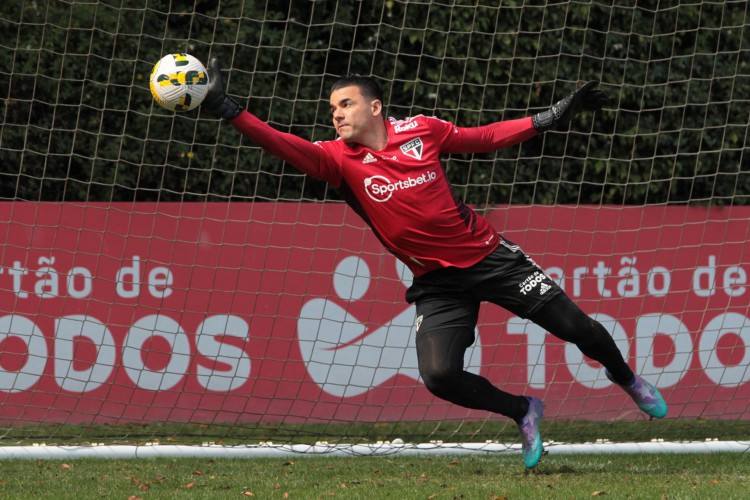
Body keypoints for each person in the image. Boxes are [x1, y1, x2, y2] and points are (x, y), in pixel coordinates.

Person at [202, 59, 668, 469]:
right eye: (332, 109)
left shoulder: (422, 131)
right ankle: (523, 410)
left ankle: (625, 377)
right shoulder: (336, 160)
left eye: (345, 104)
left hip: (492, 260)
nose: (337, 114)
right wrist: (232, 112)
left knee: (580, 329)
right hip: (438, 284)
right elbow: (283, 144)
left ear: (375, 107)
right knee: (440, 376)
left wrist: (545, 119)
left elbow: (483, 138)